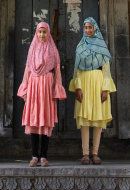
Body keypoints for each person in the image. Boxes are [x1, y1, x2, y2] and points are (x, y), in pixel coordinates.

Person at [17, 21, 67, 166]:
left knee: (45, 120)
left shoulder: (52, 50)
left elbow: (57, 70)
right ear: (36, 33)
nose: (42, 35)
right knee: (34, 119)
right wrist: (24, 91)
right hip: (33, 87)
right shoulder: (32, 50)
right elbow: (27, 70)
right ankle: (34, 156)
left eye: (44, 32)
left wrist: (56, 89)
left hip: (46, 88)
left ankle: (44, 157)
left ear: (48, 33)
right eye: (40, 32)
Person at [69, 17, 116, 165]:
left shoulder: (102, 47)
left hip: (99, 84)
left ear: (95, 28)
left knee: (97, 120)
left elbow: (106, 71)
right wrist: (78, 87)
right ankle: (85, 154)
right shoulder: (80, 47)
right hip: (84, 84)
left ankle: (95, 153)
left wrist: (105, 90)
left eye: (90, 27)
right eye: (86, 28)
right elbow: (76, 71)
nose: (88, 30)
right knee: (84, 120)